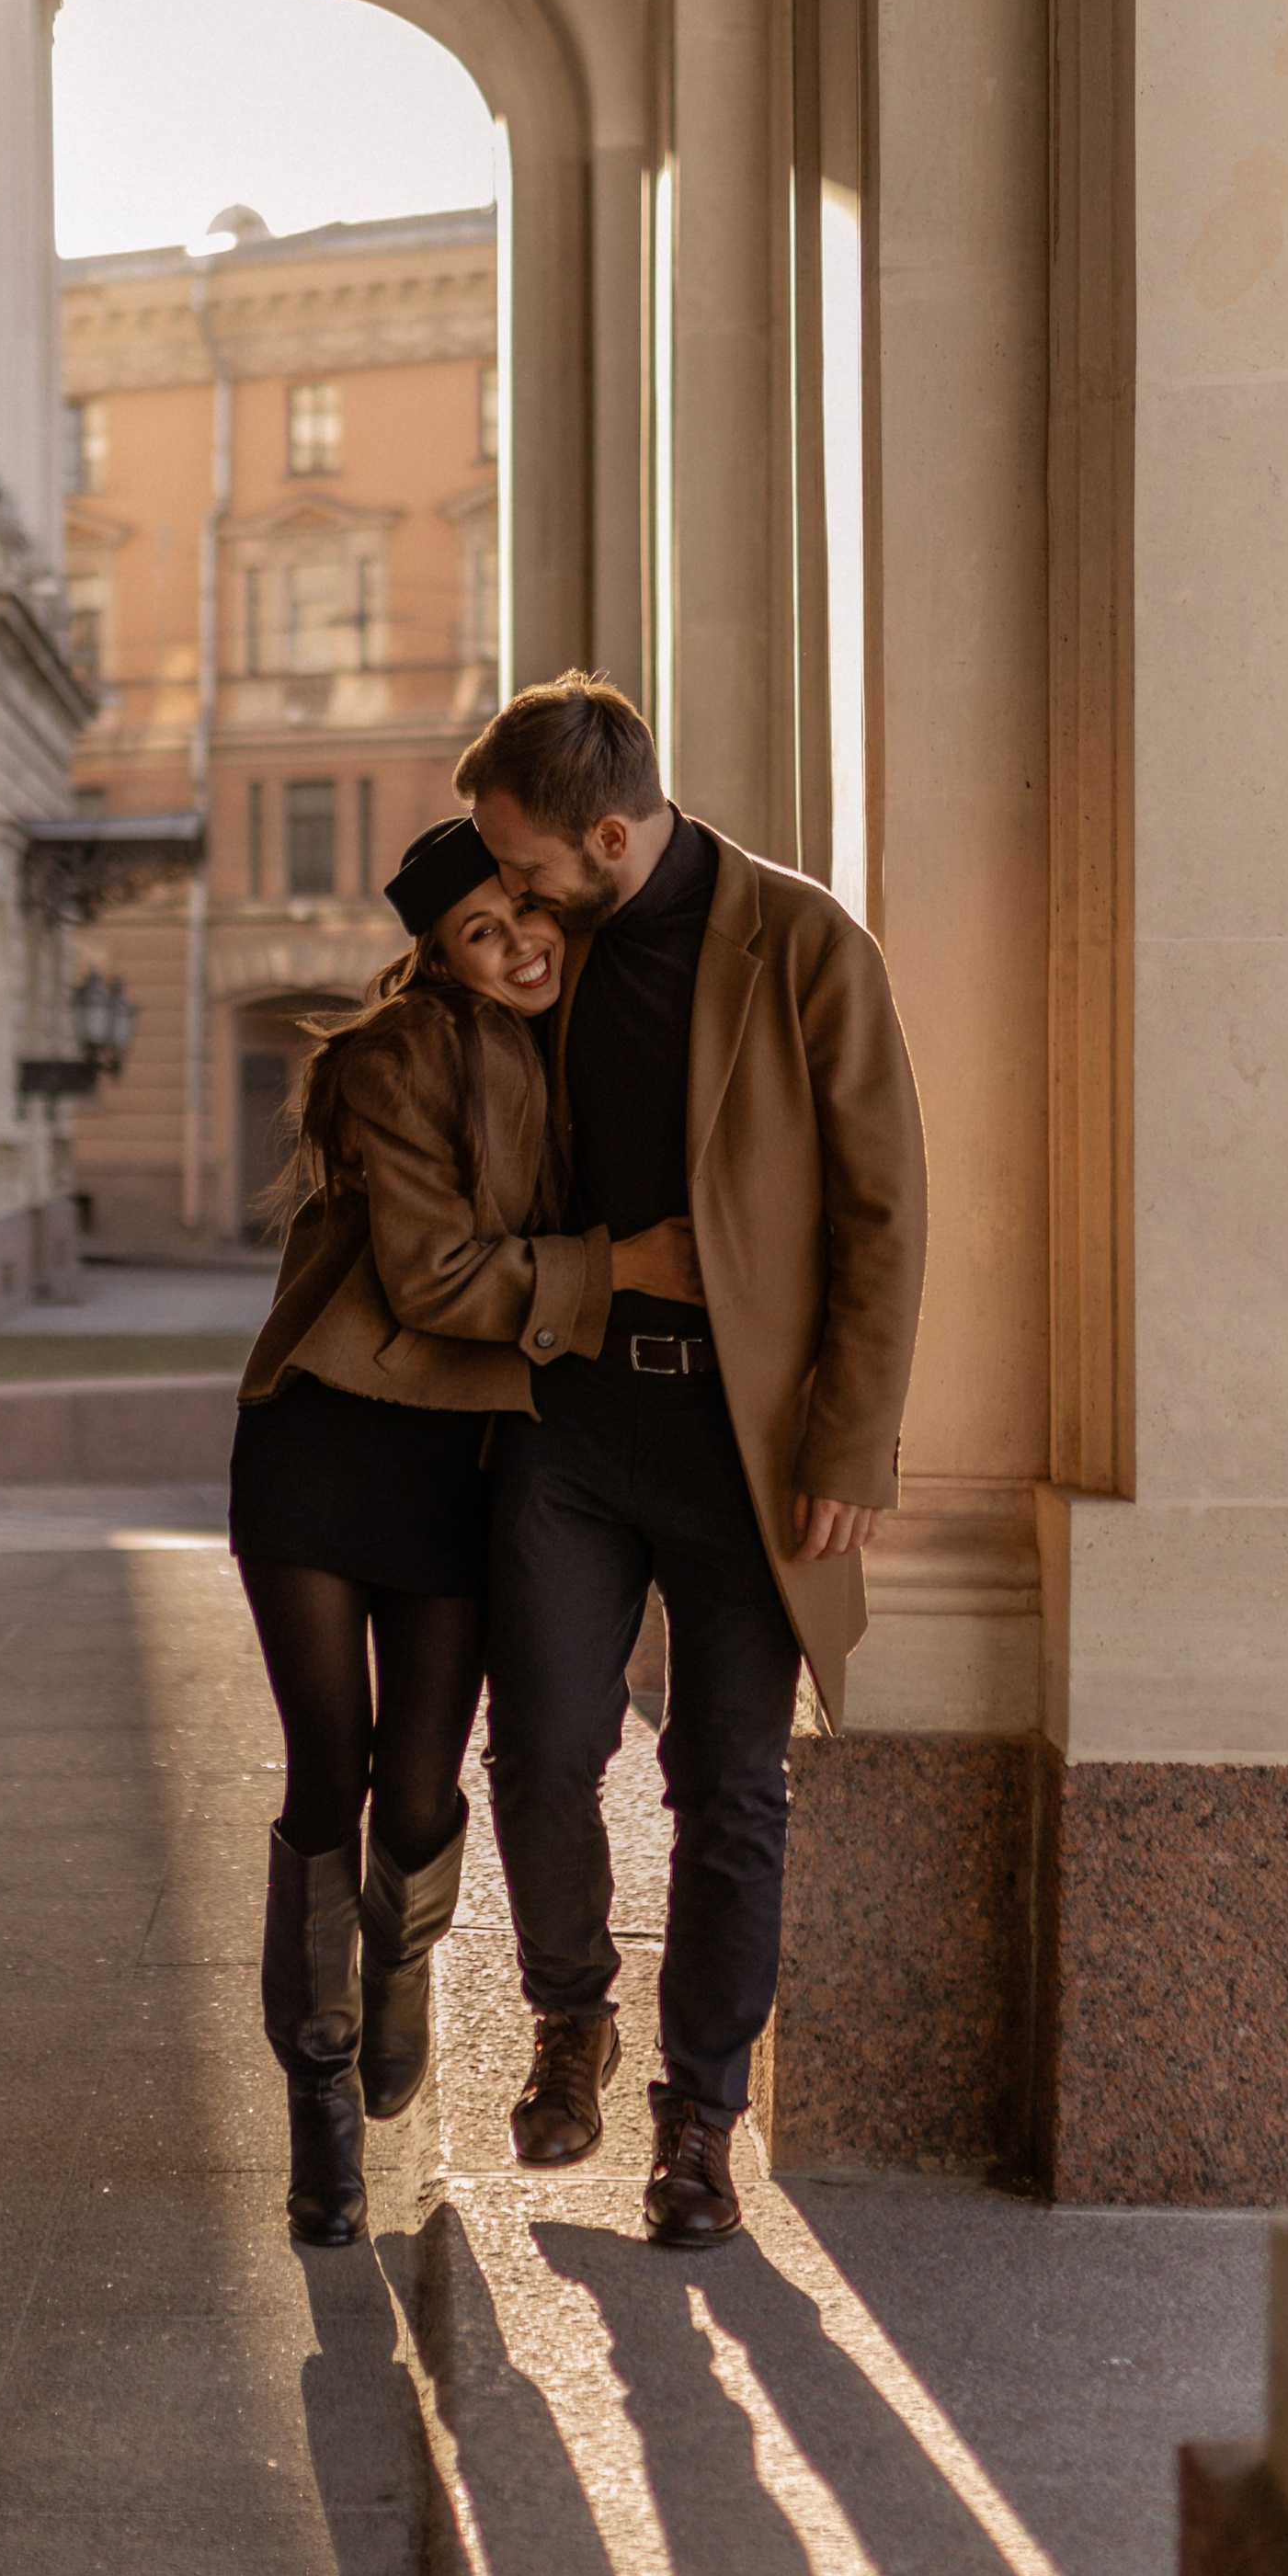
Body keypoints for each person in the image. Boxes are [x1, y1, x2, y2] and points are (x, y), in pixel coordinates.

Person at [454, 669, 927, 2249]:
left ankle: (699, 2119)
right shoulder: (545, 951)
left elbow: (882, 1212)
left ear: (606, 832)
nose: (505, 896)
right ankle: (571, 2017)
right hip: (577, 1423)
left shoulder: (803, 947)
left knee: (729, 1789)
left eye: (522, 865)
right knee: (537, 1753)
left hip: (755, 1444)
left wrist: (853, 1439)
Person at [230, 814, 701, 2247]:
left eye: (524, 918)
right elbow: (434, 1278)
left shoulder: (579, 1038)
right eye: (479, 936)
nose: (516, 948)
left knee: (424, 1793)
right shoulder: (393, 1056)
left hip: (462, 1465)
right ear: (437, 956)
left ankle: (396, 1979)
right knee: (334, 1774)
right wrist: (618, 1268)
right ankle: (318, 2114)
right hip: (329, 1443)